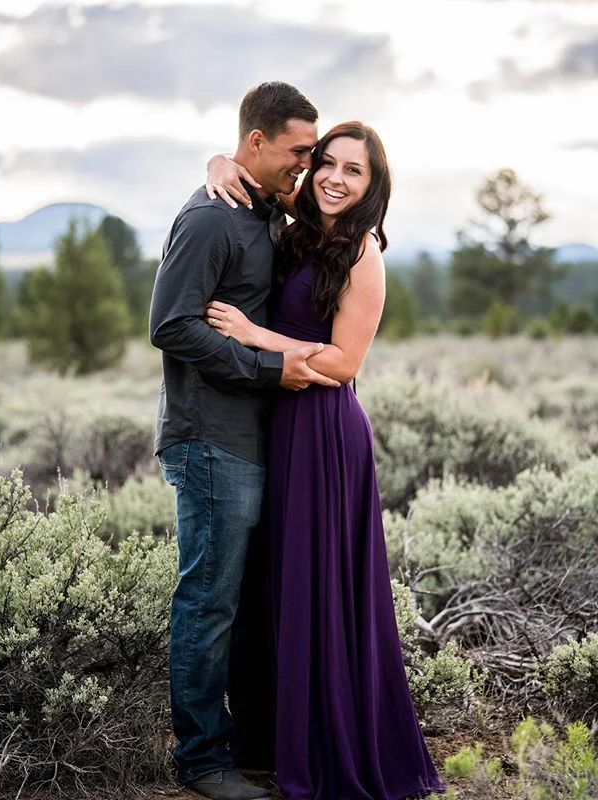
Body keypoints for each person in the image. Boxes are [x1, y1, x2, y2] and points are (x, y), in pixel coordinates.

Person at [204, 122, 446, 799]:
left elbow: (343, 364)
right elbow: (248, 170)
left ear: (375, 185)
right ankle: (276, 738)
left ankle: (334, 744)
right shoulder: (302, 225)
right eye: (328, 164)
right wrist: (219, 159)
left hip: (322, 432)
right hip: (274, 424)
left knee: (320, 586)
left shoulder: (363, 252)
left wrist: (255, 335)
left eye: (355, 171)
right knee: (275, 583)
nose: (337, 178)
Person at [149, 81, 341, 800]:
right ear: (254, 142)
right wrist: (268, 365)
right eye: (297, 151)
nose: (307, 164)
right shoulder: (209, 219)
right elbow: (171, 324)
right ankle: (201, 761)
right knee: (209, 601)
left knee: (251, 599)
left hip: (257, 440)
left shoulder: (262, 208)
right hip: (209, 441)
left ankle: (254, 739)